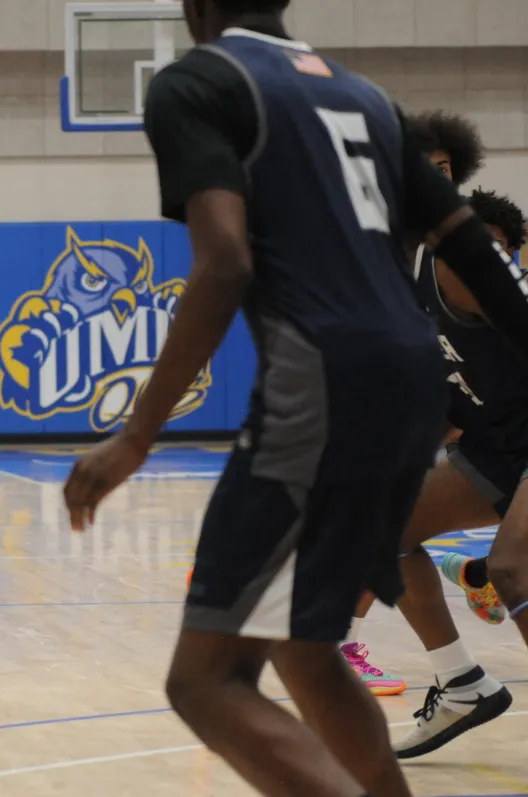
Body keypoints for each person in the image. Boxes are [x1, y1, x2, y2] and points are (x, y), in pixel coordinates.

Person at [62, 2, 528, 796]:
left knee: (205, 680)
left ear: (193, 6)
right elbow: (475, 252)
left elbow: (224, 264)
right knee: (303, 650)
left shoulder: (201, 82)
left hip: (322, 382)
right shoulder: (365, 96)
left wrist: (136, 435)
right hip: (416, 381)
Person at [339, 109, 488, 697]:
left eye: (446, 170)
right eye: (422, 169)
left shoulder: (465, 246)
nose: (435, 180)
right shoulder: (374, 244)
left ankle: (479, 575)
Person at [375, 187, 525, 759]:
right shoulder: (418, 290)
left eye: (501, 252)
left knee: (510, 569)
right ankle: (462, 685)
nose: (490, 264)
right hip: (494, 449)